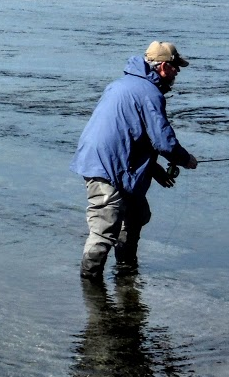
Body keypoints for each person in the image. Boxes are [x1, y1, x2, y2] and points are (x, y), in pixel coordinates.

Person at [70, 41, 198, 280]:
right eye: (175, 66)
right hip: (108, 167)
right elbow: (164, 142)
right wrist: (186, 159)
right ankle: (91, 288)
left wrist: (153, 168)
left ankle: (126, 272)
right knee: (104, 228)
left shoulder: (121, 85)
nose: (177, 72)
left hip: (108, 161)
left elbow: (128, 134)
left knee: (137, 213)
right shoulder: (150, 93)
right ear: (162, 66)